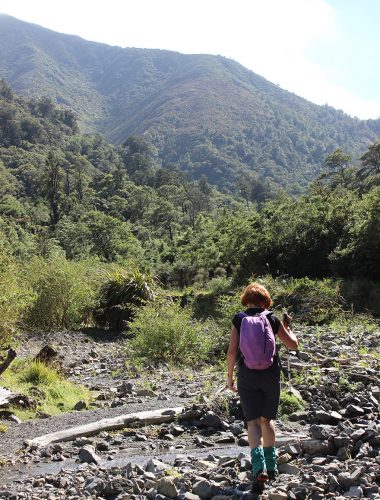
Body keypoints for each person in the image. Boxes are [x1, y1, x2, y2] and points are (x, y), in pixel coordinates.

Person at [227, 282, 298, 492]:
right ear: (265, 300)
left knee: (253, 424)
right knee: (268, 421)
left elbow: (232, 352)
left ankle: (259, 469)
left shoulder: (239, 319)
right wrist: (289, 329)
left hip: (247, 376)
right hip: (270, 376)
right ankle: (272, 467)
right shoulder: (272, 318)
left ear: (246, 299)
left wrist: (230, 378)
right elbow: (293, 345)